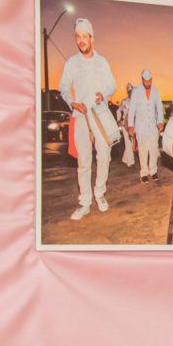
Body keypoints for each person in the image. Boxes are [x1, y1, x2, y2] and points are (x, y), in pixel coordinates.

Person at [59, 18, 116, 221]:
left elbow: (112, 85)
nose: (81, 41)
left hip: (99, 115)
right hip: (80, 115)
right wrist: (72, 102)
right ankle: (85, 202)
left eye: (85, 36)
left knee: (104, 156)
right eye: (78, 37)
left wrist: (104, 95)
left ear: (92, 38)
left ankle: (99, 193)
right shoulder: (72, 63)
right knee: (84, 161)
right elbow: (64, 87)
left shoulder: (103, 62)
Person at [128, 70, 165, 184]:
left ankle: (153, 171)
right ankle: (144, 173)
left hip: (153, 127)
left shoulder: (155, 91)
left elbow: (159, 107)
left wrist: (160, 121)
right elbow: (132, 109)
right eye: (146, 81)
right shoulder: (136, 91)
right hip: (141, 127)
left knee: (154, 150)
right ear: (142, 80)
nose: (148, 83)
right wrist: (130, 125)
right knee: (143, 151)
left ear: (151, 80)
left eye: (149, 81)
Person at [117, 83, 136, 167]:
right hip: (125, 124)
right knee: (128, 141)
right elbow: (118, 111)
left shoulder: (136, 102)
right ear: (128, 93)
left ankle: (125, 158)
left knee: (131, 142)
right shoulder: (124, 101)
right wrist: (119, 119)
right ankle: (130, 162)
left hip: (133, 124)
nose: (131, 93)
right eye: (130, 92)